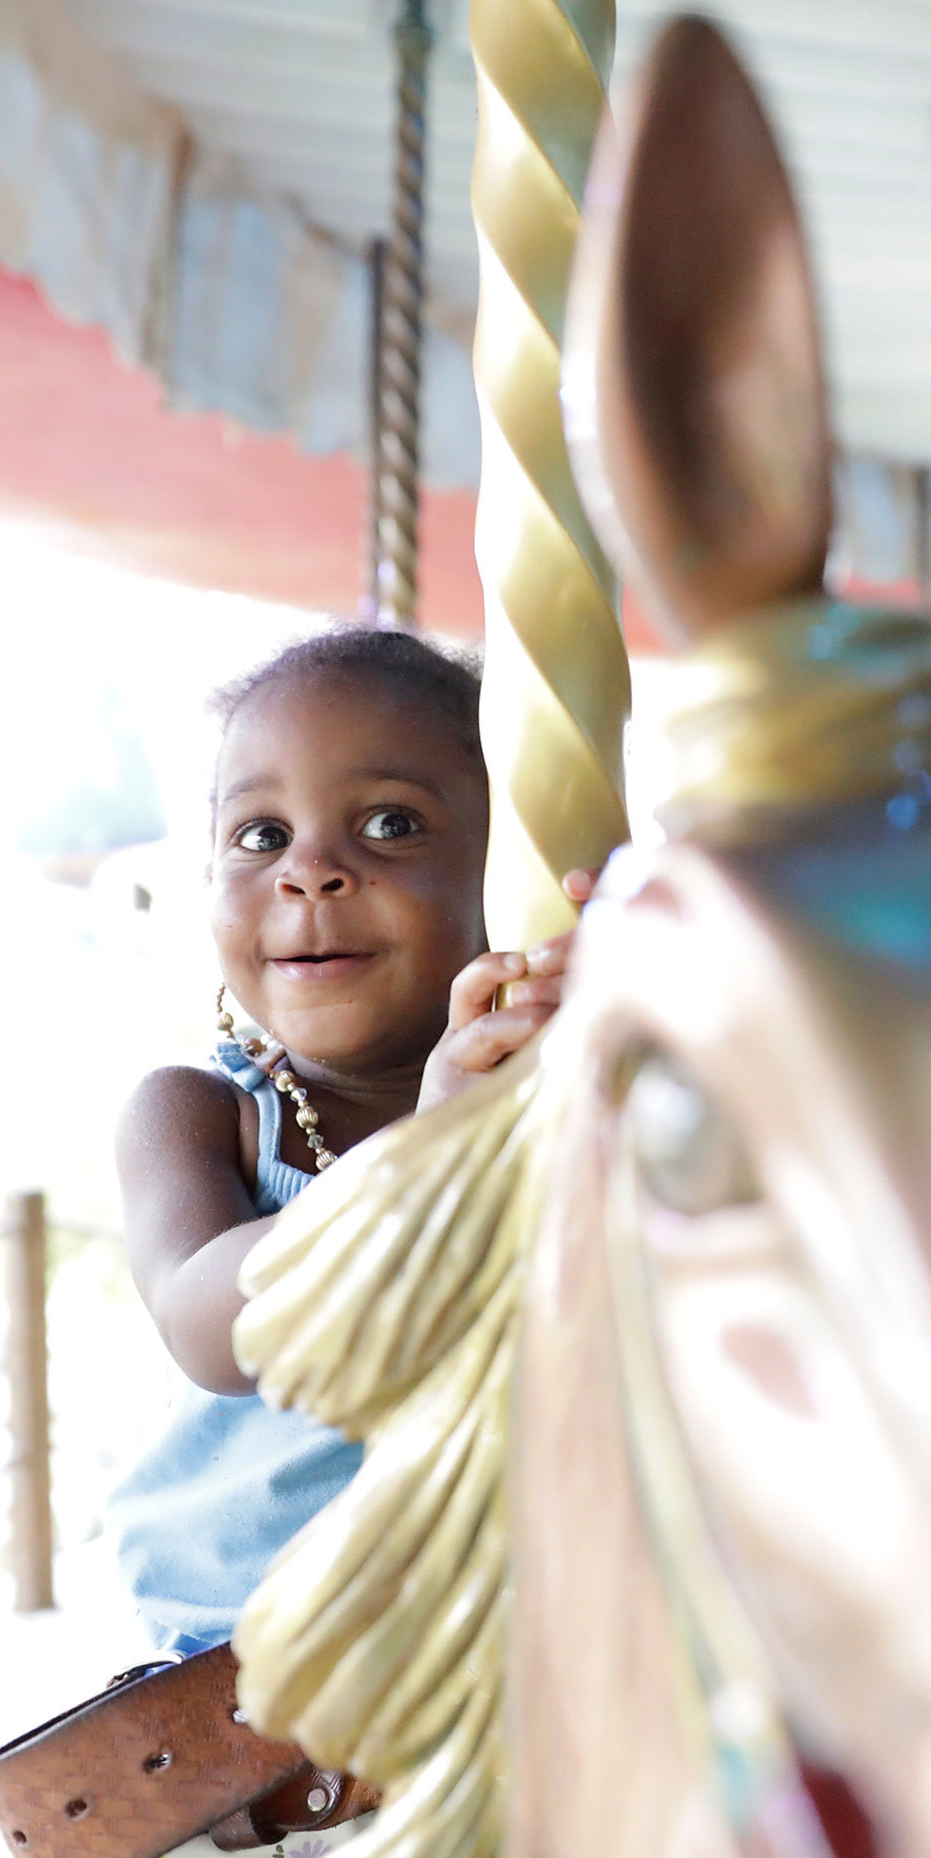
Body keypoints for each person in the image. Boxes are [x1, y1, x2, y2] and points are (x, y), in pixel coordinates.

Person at [105, 627, 590, 1661]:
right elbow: (210, 1323)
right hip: (252, 1700)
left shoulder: (562, 1111)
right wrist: (431, 1147)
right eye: (259, 836)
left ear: (505, 867)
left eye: (389, 823)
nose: (311, 873)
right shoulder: (200, 1118)